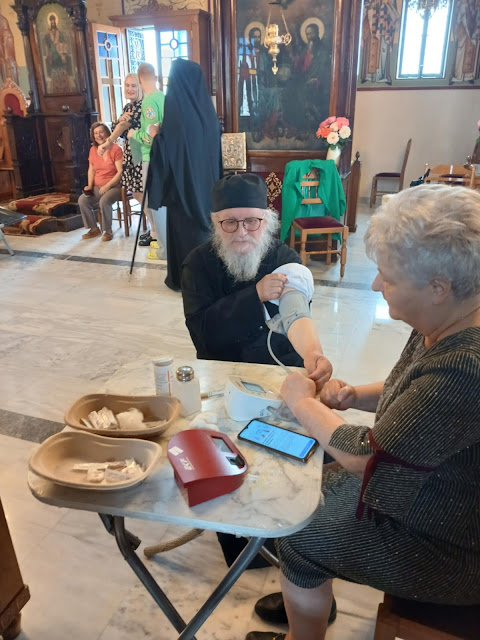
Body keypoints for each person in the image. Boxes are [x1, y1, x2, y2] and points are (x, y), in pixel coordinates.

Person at [246, 184, 480, 640]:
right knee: (306, 474)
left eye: (387, 278)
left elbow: (367, 456)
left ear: (438, 288)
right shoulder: (449, 318)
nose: (375, 285)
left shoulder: (465, 364)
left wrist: (301, 400)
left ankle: (305, 621)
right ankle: (310, 591)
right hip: (435, 496)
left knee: (298, 531)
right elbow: (414, 393)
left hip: (452, 541)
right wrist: (355, 395)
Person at [182, 172, 333, 570]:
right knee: (229, 462)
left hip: (279, 374)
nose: (242, 232)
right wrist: (255, 296)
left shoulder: (284, 259)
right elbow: (203, 333)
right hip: (223, 377)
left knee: (295, 460)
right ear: (214, 222)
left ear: (267, 220)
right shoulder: (198, 264)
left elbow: (296, 315)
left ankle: (294, 534)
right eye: (229, 222)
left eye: (252, 221)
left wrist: (314, 353)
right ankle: (248, 546)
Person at [147, 58, 222, 291]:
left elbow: (167, 150)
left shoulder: (177, 112)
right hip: (207, 189)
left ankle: (186, 281)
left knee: (185, 233)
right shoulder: (208, 113)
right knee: (206, 232)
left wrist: (155, 135)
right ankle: (209, 279)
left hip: (182, 191)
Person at [127, 62, 165, 255]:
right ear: (155, 77)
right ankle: (160, 240)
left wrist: (134, 134)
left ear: (140, 80)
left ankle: (160, 244)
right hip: (162, 156)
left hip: (149, 156)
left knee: (152, 201)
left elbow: (151, 137)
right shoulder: (163, 97)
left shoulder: (149, 102)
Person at [97, 73, 143, 205]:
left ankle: (153, 219)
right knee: (136, 193)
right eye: (127, 85)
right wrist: (119, 120)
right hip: (130, 152)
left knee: (142, 193)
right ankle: (151, 218)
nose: (130, 89)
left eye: (133, 86)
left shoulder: (141, 105)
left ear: (140, 87)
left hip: (139, 151)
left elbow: (123, 126)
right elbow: (118, 129)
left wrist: (107, 142)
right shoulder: (128, 107)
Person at [78, 122, 122, 242]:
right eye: (96, 133)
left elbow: (120, 172)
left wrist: (108, 185)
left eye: (101, 132)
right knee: (82, 200)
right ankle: (94, 229)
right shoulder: (93, 150)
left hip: (115, 187)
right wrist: (90, 185)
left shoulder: (116, 149)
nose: (99, 135)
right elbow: (91, 170)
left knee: (104, 201)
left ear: (107, 133)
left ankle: (107, 231)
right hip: (98, 187)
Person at [43, 12, 75, 94]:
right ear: (50, 22)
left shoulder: (59, 33)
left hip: (60, 52)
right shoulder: (47, 35)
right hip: (52, 54)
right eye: (51, 21)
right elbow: (47, 45)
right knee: (51, 62)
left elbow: (64, 42)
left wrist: (61, 48)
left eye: (54, 21)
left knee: (65, 61)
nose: (53, 22)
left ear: (55, 22)